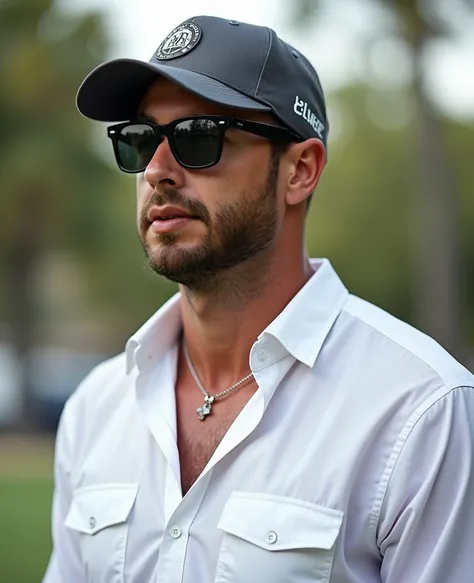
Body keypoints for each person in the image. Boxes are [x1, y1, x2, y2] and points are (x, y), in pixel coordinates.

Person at [43, 15, 474, 583]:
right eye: (140, 139)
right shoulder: (96, 408)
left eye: (199, 136)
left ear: (300, 170)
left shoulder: (421, 413)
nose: (156, 171)